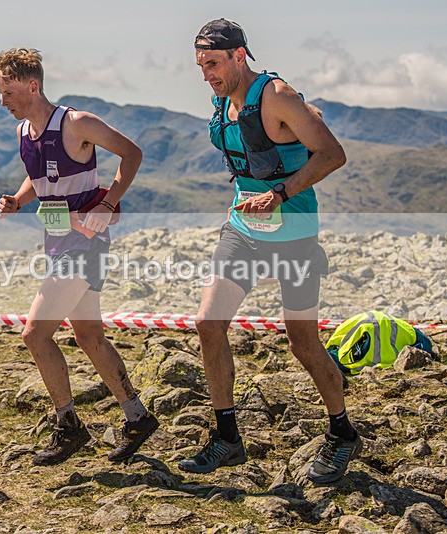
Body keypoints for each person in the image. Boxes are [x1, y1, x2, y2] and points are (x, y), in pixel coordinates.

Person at [179, 19, 358, 485]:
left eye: (213, 64)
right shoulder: (223, 99)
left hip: (294, 232)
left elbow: (333, 154)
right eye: (201, 66)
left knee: (302, 343)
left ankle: (342, 432)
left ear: (239, 56)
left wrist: (278, 194)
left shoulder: (276, 95)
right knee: (208, 323)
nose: (207, 75)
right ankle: (227, 439)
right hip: (243, 230)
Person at [0, 48, 159, 466]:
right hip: (57, 243)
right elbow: (39, 176)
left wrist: (109, 202)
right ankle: (138, 417)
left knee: (34, 334)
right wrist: (18, 200)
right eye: (0, 93)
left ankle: (68, 426)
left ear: (33, 86)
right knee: (89, 337)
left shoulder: (76, 123)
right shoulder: (24, 132)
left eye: (9, 92)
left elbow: (132, 153)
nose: (3, 101)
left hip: (86, 245)